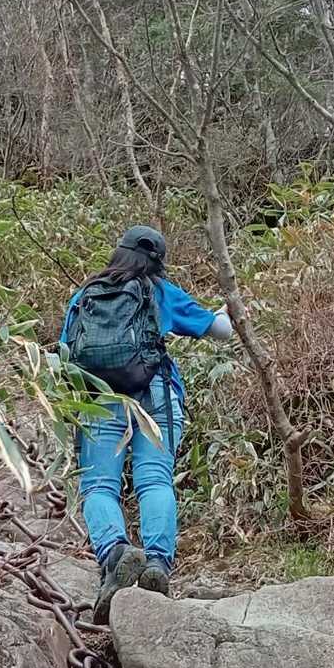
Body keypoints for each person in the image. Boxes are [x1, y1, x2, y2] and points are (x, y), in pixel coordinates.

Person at [61, 226, 233, 620]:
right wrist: (226, 312)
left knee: (99, 486)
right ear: (158, 261)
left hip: (98, 398)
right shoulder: (158, 291)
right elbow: (220, 332)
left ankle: (115, 553)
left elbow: (65, 352)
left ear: (118, 252)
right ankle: (156, 563)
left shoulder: (85, 294)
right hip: (155, 394)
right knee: (154, 480)